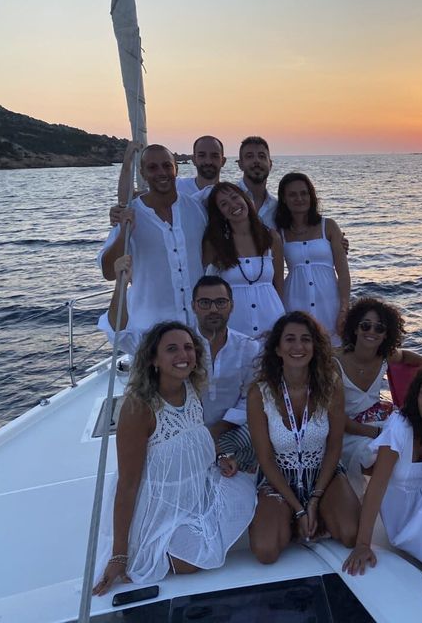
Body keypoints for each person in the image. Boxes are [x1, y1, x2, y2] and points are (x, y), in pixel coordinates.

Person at [92, 321, 256, 595]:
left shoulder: (190, 388)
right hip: (158, 505)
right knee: (190, 562)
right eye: (172, 349)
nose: (184, 355)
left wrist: (218, 457)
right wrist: (119, 554)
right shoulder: (138, 408)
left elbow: (191, 440)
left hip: (193, 493)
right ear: (153, 359)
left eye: (189, 348)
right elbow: (127, 484)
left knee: (244, 496)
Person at [99, 260, 259, 451]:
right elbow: (120, 335)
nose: (213, 309)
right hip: (181, 434)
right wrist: (121, 284)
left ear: (231, 306)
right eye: (205, 303)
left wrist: (219, 430)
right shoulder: (177, 347)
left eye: (221, 302)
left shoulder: (249, 348)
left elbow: (250, 397)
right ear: (194, 306)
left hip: (230, 433)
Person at [343, 361, 422, 586]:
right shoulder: (400, 427)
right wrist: (363, 544)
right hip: (403, 517)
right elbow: (377, 486)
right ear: (416, 395)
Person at [247, 312, 360, 564]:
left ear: (315, 346)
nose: (298, 347)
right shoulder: (259, 393)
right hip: (280, 479)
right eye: (290, 339)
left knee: (351, 535)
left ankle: (316, 510)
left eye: (306, 339)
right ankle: (292, 515)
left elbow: (334, 447)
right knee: (265, 551)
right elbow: (265, 458)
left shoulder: (331, 384)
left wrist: (315, 497)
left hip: (324, 473)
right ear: (277, 348)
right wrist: (298, 507)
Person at [100, 143, 207, 331]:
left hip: (197, 329)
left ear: (176, 168)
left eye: (167, 165)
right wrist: (125, 232)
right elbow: (109, 272)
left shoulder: (197, 209)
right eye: (152, 167)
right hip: (150, 331)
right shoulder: (129, 214)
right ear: (142, 173)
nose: (161, 172)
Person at [334, 297, 422, 491]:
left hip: (377, 422)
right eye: (365, 325)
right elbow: (338, 420)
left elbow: (406, 356)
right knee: (385, 458)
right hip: (346, 432)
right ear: (355, 328)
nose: (371, 332)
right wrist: (381, 434)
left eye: (379, 328)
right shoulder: (335, 363)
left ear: (386, 334)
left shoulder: (384, 356)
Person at [276, 172, 350, 347]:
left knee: (335, 351)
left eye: (304, 193)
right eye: (292, 194)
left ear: (311, 196)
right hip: (295, 299)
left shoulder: (328, 226)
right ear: (284, 199)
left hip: (329, 300)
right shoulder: (280, 234)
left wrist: (344, 309)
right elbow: (277, 278)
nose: (299, 198)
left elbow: (344, 273)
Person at [203, 182, 285, 338]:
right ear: (220, 213)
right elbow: (207, 288)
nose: (233, 205)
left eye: (235, 197)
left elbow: (279, 282)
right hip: (234, 327)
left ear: (245, 199)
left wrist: (283, 322)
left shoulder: (271, 237)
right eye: (224, 204)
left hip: (272, 321)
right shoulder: (214, 244)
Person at [237, 136, 278, 230]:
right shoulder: (228, 200)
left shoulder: (276, 206)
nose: (256, 161)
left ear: (270, 164)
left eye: (262, 156)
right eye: (249, 156)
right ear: (240, 165)